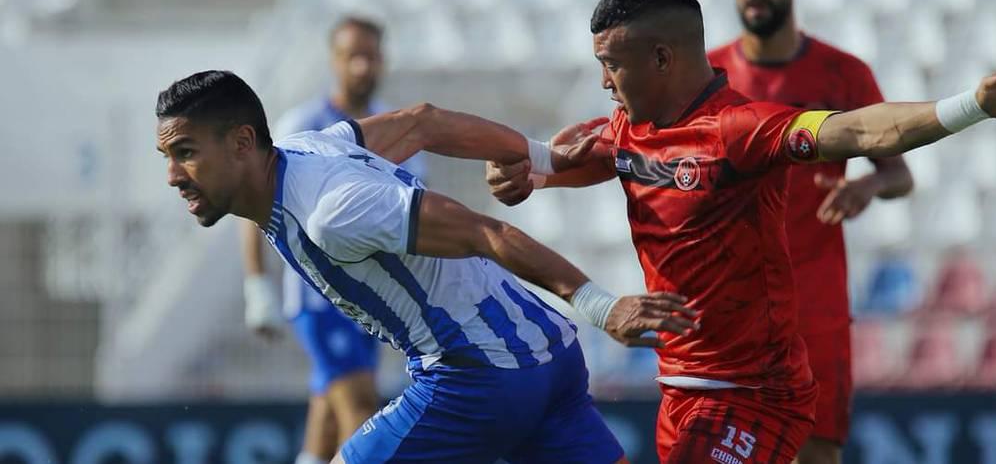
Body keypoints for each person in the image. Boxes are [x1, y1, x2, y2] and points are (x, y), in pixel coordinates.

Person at [484, 0, 996, 463]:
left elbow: (862, 131)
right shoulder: (630, 127)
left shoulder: (739, 131)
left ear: (661, 58)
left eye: (611, 63)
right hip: (680, 389)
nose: (602, 81)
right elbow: (573, 158)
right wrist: (528, 171)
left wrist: (970, 105)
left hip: (754, 394)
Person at [156, 70, 701, 464]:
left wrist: (600, 305)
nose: (174, 176)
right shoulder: (307, 150)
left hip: (479, 375)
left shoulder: (331, 210)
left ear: (242, 142)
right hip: (548, 355)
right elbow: (422, 123)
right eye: (169, 158)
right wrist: (538, 157)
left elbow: (483, 232)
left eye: (186, 152)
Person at [706, 0, 913, 464]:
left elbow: (899, 175)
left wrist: (867, 184)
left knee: (816, 454)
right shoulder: (706, 77)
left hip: (813, 302)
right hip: (731, 304)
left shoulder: (843, 74)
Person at [239, 16, 424, 464]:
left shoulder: (395, 128)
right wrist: (257, 286)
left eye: (370, 56)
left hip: (371, 299)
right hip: (318, 296)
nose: (362, 67)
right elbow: (254, 203)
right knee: (361, 411)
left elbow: (412, 216)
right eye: (352, 56)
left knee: (326, 416)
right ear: (334, 61)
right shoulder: (302, 125)